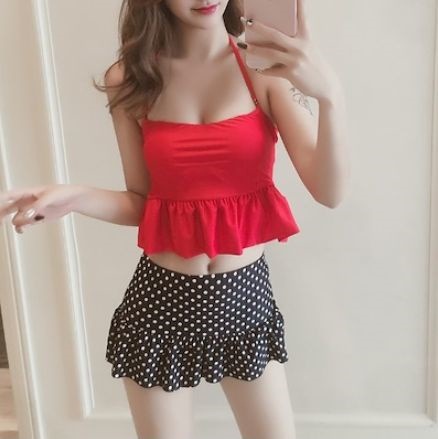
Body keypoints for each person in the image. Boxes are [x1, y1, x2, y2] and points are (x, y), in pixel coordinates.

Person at [0, 0, 349, 437]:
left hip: (243, 303)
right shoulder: (130, 78)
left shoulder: (264, 71)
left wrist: (330, 95)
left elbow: (329, 192)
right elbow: (143, 202)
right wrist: (75, 198)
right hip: (161, 306)